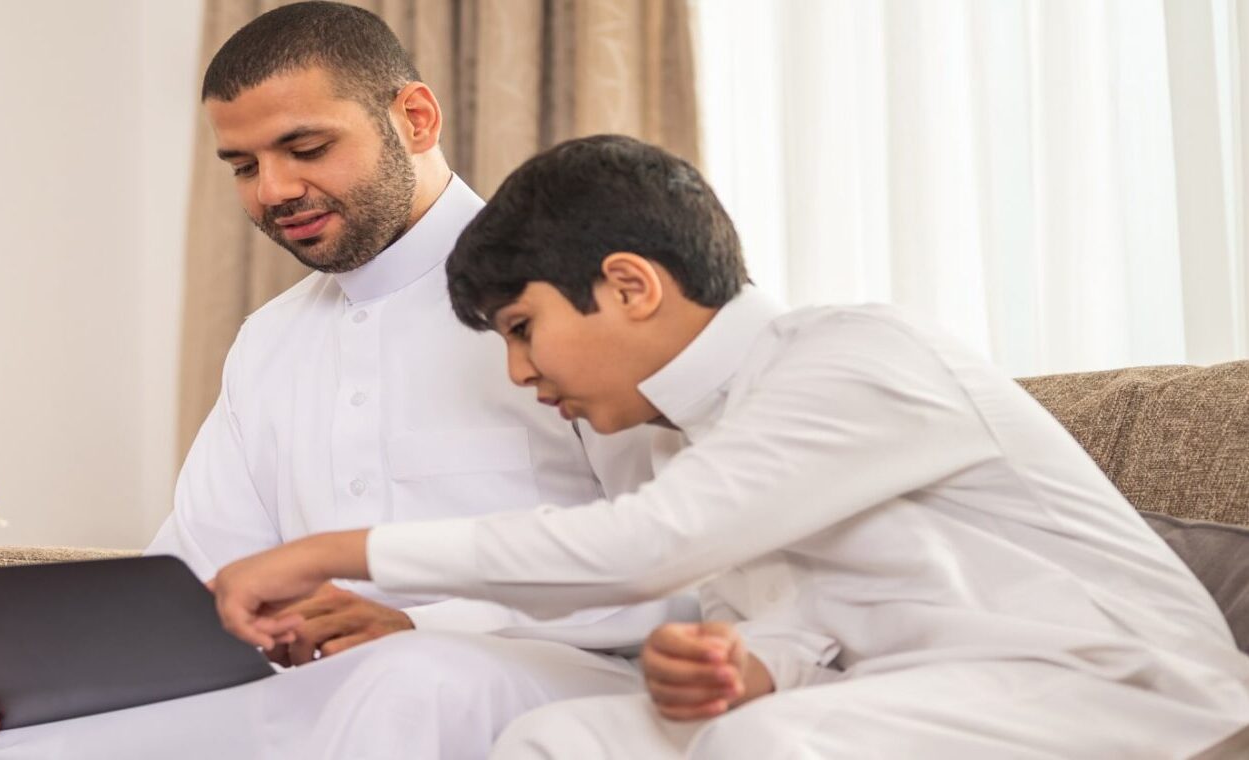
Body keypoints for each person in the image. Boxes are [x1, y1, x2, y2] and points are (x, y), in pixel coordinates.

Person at [0, 5, 681, 758]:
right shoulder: (269, 340)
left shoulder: (570, 293)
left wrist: (428, 624)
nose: (274, 191)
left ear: (414, 117)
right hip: (302, 689)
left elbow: (681, 555)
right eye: (242, 165)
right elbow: (195, 572)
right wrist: (8, 671)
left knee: (409, 677)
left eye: (305, 148)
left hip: (536, 672)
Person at [210, 133, 1249, 758]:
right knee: (558, 737)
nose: (523, 376)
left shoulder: (858, 355)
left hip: (1123, 690)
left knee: (766, 744)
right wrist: (738, 666)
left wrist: (330, 548)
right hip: (918, 706)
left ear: (629, 285)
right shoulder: (685, 442)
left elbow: (641, 546)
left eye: (523, 329)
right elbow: (810, 631)